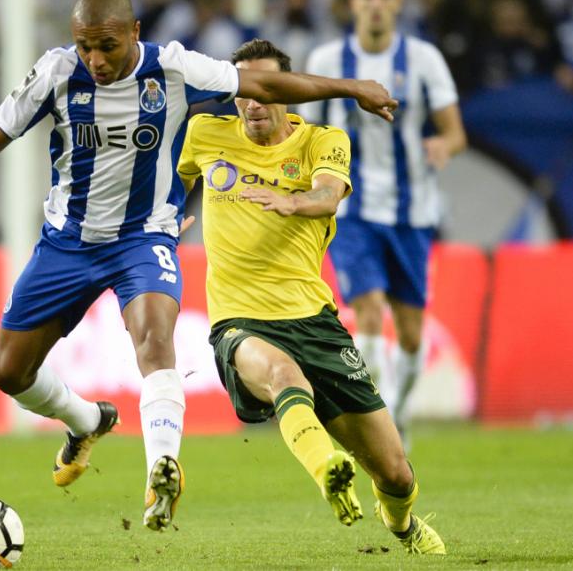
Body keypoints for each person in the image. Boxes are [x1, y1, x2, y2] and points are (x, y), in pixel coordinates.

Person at [0, 0, 397, 532]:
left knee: (155, 341)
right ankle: (86, 421)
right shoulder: (56, 73)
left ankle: (161, 466)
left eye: (107, 46)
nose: (95, 59)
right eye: (84, 46)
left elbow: (263, 81)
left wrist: (351, 89)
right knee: (8, 371)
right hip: (67, 242)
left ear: (135, 33)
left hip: (143, 238)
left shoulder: (175, 69)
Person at [177, 38, 445, 554]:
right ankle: (328, 470)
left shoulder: (323, 140)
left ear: (289, 91)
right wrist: (158, 223)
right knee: (282, 376)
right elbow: (162, 185)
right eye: (243, 91)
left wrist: (292, 201)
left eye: (265, 90)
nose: (253, 102)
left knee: (396, 473)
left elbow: (327, 196)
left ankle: (402, 524)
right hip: (240, 321)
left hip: (314, 322)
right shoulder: (204, 134)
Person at [299, 0, 466, 450]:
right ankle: (379, 420)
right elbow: (306, 131)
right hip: (350, 210)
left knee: (411, 334)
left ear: (398, 2)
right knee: (368, 311)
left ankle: (401, 409)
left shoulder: (423, 59)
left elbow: (456, 131)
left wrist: (444, 147)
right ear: (352, 3)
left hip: (413, 212)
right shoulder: (329, 57)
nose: (375, 2)